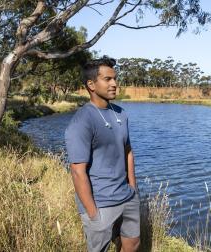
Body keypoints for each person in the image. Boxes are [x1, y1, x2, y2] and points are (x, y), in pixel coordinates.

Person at [65, 57, 140, 252]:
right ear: (91, 84)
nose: (114, 84)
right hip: (101, 202)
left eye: (115, 79)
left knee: (132, 243)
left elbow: (128, 151)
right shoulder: (82, 120)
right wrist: (92, 212)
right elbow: (77, 171)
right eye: (107, 79)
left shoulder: (121, 113)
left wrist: (133, 188)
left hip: (127, 196)